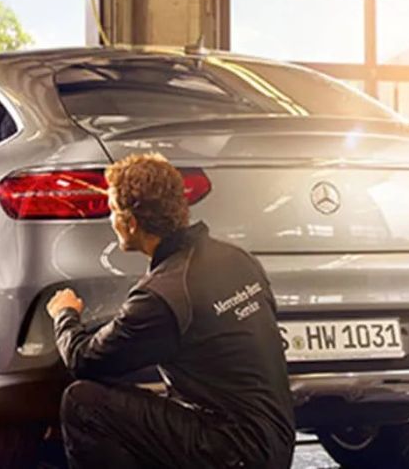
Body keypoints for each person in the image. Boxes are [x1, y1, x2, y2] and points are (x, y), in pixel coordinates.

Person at [46, 153, 295, 468]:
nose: (111, 220)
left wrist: (65, 315)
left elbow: (84, 360)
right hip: (276, 447)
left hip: (232, 453)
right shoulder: (238, 258)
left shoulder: (163, 294)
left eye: (112, 211)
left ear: (130, 223)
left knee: (83, 402)